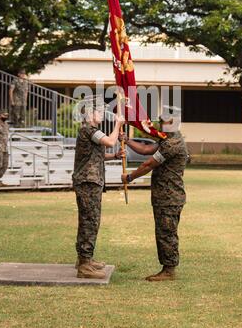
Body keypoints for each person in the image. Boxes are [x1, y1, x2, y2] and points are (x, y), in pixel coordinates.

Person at [121, 111, 188, 281]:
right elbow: (146, 149)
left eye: (164, 123)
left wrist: (130, 177)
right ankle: (167, 267)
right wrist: (127, 141)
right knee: (163, 231)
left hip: (169, 197)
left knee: (167, 232)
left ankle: (169, 270)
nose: (160, 126)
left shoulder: (173, 143)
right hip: (164, 196)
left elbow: (149, 163)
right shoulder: (167, 140)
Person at [73, 100, 125, 279]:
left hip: (91, 181)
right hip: (88, 182)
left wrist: (116, 156)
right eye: (99, 111)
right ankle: (85, 264)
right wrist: (118, 124)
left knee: (88, 220)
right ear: (89, 114)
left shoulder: (89, 132)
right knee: (90, 221)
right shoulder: (89, 130)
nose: (102, 113)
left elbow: (99, 155)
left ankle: (84, 259)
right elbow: (110, 141)